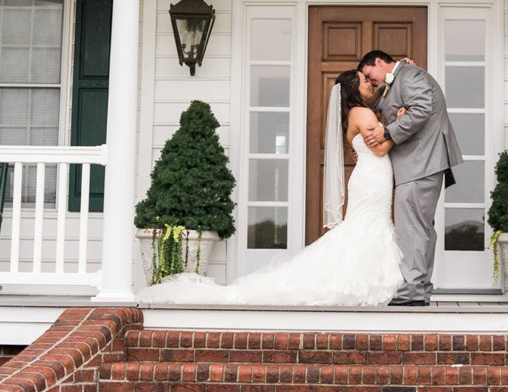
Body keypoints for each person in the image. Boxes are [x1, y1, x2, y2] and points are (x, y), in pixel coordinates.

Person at [139, 68, 403, 308]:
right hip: (372, 178)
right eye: (364, 81)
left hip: (370, 178)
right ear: (352, 89)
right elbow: (379, 149)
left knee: (363, 227)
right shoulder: (364, 113)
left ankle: (359, 278)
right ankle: (355, 280)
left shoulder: (355, 115)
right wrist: (399, 126)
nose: (370, 83)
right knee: (364, 228)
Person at [359, 49, 463, 307]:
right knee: (421, 227)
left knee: (413, 228)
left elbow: (421, 110)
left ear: (380, 62)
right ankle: (420, 289)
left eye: (369, 73)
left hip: (420, 162)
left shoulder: (411, 75)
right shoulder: (399, 79)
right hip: (419, 163)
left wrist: (388, 133)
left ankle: (412, 292)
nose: (370, 80)